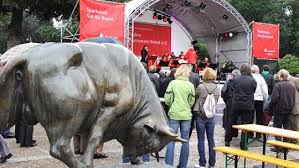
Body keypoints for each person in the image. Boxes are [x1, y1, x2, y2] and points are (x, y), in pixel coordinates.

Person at [164, 64, 195, 168]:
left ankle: (168, 164)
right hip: (186, 114)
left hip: (174, 114)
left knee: (171, 139)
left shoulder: (173, 83)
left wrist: (172, 105)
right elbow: (192, 101)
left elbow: (167, 99)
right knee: (185, 140)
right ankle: (183, 165)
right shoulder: (190, 85)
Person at [193, 68, 220, 168]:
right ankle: (212, 164)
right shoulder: (217, 88)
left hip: (200, 115)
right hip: (211, 115)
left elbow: (195, 96)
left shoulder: (200, 87)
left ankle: (202, 163)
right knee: (211, 140)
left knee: (201, 140)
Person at [228, 64, 257, 149]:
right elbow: (254, 90)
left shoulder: (236, 79)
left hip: (236, 103)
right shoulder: (252, 80)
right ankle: (243, 144)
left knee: (231, 121)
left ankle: (227, 140)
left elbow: (233, 88)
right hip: (248, 105)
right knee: (246, 125)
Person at [270, 69, 295, 144]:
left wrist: (270, 106)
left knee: (277, 127)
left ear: (280, 76)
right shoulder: (291, 85)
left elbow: (274, 99)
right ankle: (285, 145)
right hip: (289, 109)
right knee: (287, 127)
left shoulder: (278, 85)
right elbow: (293, 97)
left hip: (279, 109)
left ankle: (279, 145)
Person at [222, 70, 241, 145]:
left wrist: (226, 100)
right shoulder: (240, 83)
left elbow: (223, 92)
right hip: (238, 102)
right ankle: (235, 133)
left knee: (230, 119)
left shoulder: (228, 82)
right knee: (238, 118)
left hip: (230, 102)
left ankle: (228, 138)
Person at [251, 65, 268, 138]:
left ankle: (249, 133)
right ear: (257, 71)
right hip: (259, 99)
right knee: (259, 117)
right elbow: (265, 91)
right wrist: (265, 100)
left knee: (250, 117)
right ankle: (258, 134)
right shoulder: (261, 78)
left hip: (250, 99)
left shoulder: (249, 77)